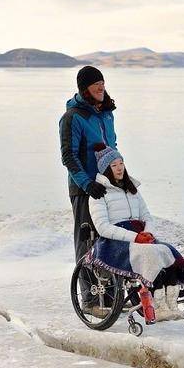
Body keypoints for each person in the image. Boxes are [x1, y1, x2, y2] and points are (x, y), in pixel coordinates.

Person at [86, 143, 184, 321]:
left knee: (169, 252)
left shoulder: (132, 189)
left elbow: (147, 216)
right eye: (114, 165)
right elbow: (103, 227)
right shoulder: (99, 194)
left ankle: (170, 305)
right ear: (106, 170)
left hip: (141, 237)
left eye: (121, 164)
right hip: (115, 241)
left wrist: (148, 233)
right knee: (151, 255)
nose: (119, 168)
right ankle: (158, 307)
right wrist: (135, 237)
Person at [59, 66, 117, 312]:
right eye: (96, 84)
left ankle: (111, 297)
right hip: (84, 189)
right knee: (87, 242)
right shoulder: (73, 117)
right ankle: (91, 301)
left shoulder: (105, 114)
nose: (101, 86)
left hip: (108, 185)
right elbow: (69, 157)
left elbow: (111, 147)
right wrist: (86, 183)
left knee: (111, 239)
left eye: (102, 82)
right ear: (85, 88)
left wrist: (120, 177)